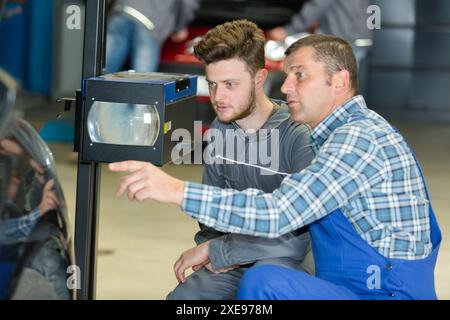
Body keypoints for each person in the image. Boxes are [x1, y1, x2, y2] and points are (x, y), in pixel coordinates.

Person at [109, 34, 441, 300]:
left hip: (385, 291)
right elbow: (215, 224)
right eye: (287, 75)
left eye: (300, 75)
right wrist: (215, 251)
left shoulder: (357, 139)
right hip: (347, 285)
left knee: (264, 284)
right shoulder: (329, 136)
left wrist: (175, 190)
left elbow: (281, 213)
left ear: (338, 82)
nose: (285, 87)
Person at [166, 20, 315, 300]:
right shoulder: (222, 130)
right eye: (212, 84)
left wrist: (220, 252)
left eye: (230, 85)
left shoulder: (298, 137)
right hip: (232, 258)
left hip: (287, 263)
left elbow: (298, 237)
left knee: (258, 290)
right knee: (184, 300)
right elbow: (212, 219)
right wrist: (213, 252)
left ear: (259, 79)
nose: (217, 97)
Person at [269, 0, 372, 67]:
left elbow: (317, 6)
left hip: (343, 40)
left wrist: (289, 30)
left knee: (335, 88)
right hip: (358, 38)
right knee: (346, 87)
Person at [105, 0, 200, 73]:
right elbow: (188, 2)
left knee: (102, 73)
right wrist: (179, 26)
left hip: (123, 11)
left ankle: (93, 95)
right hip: (150, 21)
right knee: (142, 82)